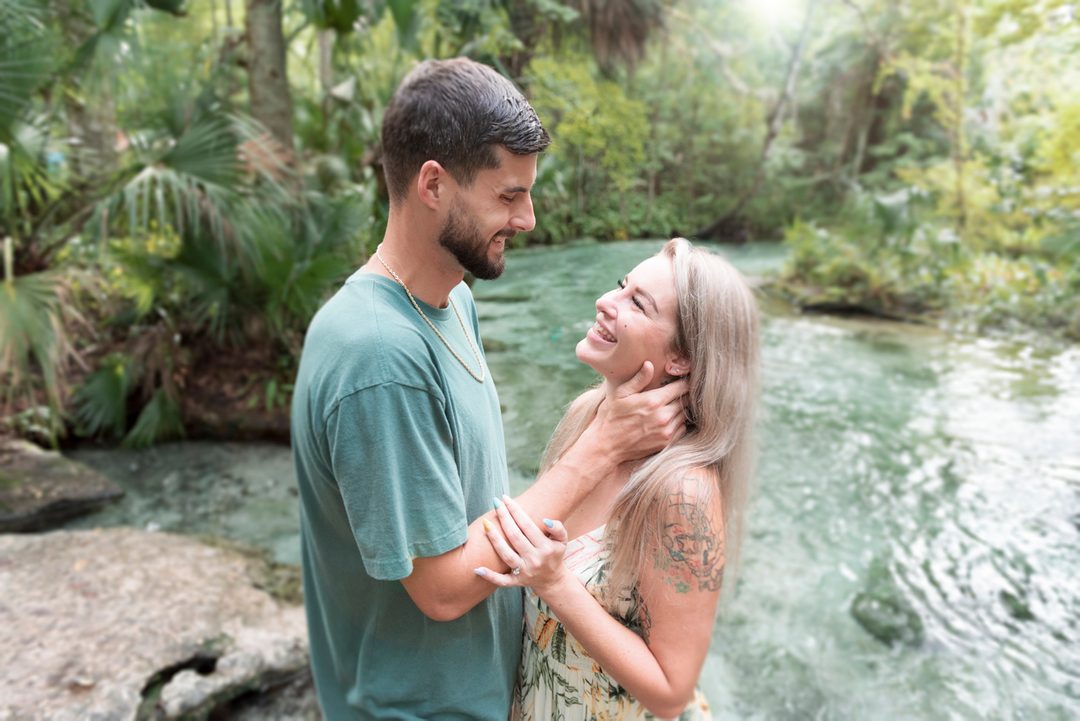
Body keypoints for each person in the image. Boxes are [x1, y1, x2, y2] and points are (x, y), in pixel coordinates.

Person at [290, 57, 690, 720]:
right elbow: (444, 588)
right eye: (508, 196)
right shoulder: (379, 356)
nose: (528, 218)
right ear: (433, 185)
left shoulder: (454, 303)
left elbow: (473, 506)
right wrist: (603, 444)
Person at [475, 238, 761, 720]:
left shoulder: (682, 490)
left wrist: (556, 584)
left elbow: (671, 695)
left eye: (637, 303)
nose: (605, 302)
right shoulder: (586, 417)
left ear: (681, 360)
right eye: (620, 286)